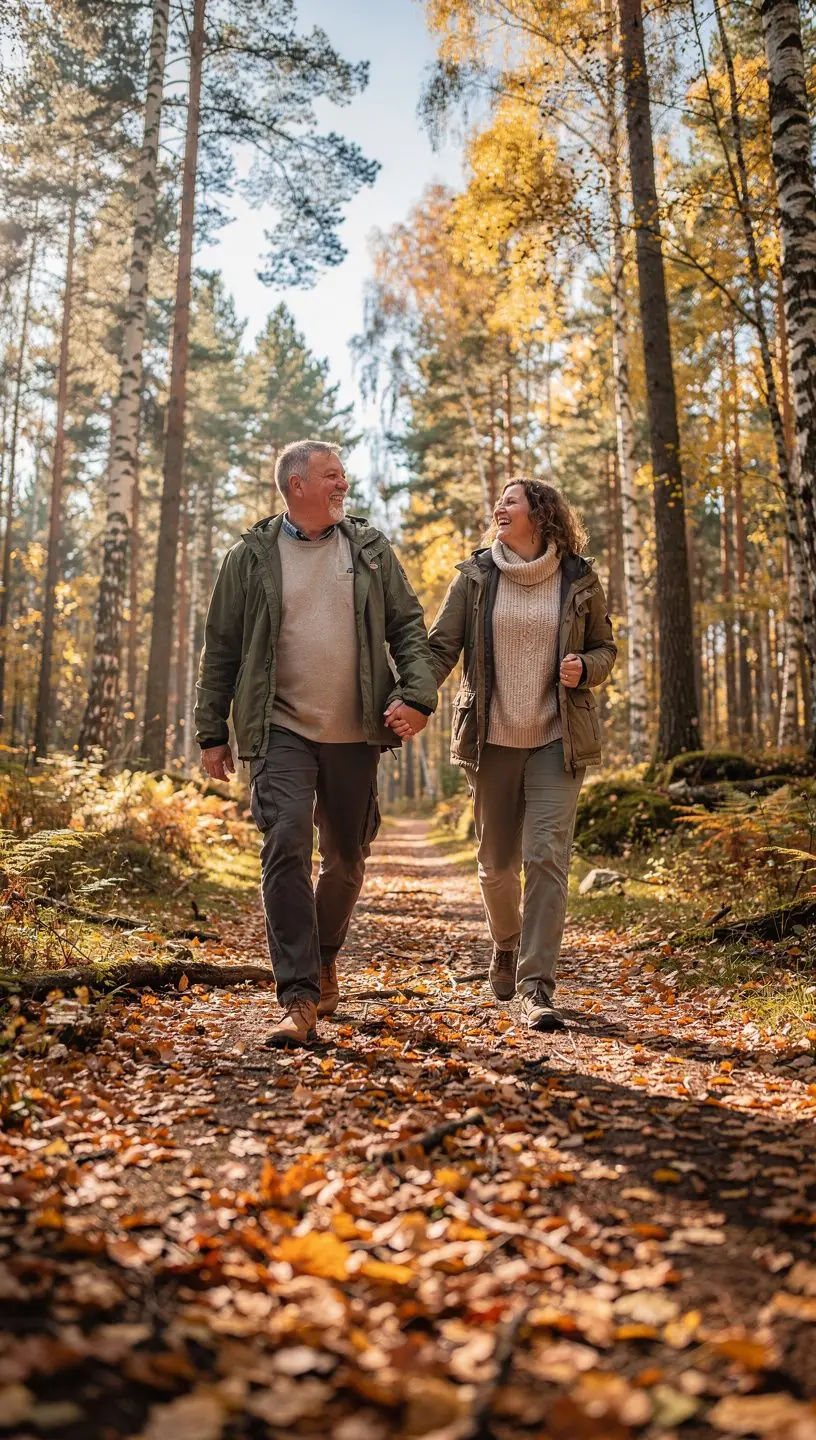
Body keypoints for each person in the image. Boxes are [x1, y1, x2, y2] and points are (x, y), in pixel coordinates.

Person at [195, 439, 435, 1047]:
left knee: (348, 857)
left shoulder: (371, 550)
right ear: (295, 485)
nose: (342, 485)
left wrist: (417, 694)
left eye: (344, 476)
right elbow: (221, 649)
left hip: (356, 728)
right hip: (281, 727)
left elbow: (407, 625)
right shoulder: (249, 557)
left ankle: (324, 954)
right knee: (286, 842)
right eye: (331, 476)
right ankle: (298, 994)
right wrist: (211, 732)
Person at [415, 478, 616, 1032]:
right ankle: (505, 943)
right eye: (500, 501)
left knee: (546, 859)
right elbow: (441, 649)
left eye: (511, 500)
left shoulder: (578, 576)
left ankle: (536, 986)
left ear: (541, 514)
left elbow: (605, 648)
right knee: (495, 867)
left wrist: (586, 668)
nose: (500, 507)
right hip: (492, 738)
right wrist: (411, 697)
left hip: (558, 737)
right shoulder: (477, 577)